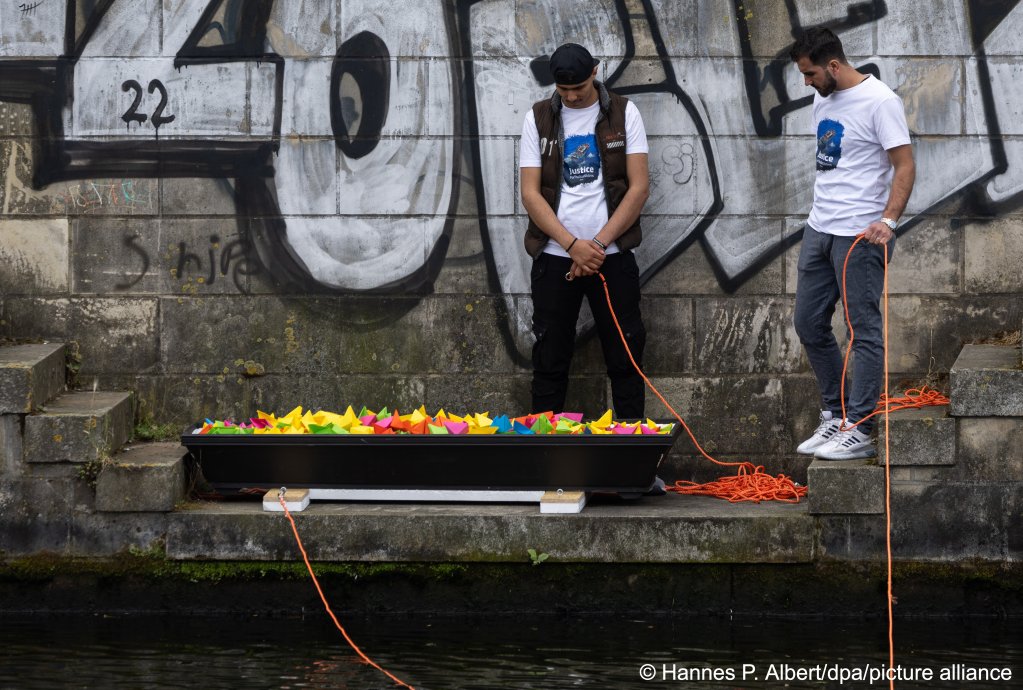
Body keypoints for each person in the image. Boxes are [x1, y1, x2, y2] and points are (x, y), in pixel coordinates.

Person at [789, 28, 915, 460]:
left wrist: (888, 221)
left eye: (809, 74)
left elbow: (904, 165)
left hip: (860, 237)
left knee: (864, 331)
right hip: (819, 228)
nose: (806, 82)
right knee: (808, 323)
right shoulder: (822, 97)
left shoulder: (881, 101)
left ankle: (859, 427)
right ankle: (836, 412)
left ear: (834, 66)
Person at [519, 42, 650, 420]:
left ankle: (628, 475)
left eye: (579, 88)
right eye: (565, 91)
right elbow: (530, 194)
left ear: (594, 72)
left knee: (626, 364)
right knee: (549, 365)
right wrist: (572, 246)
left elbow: (639, 187)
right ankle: (546, 468)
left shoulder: (624, 113)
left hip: (612, 260)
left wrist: (595, 246)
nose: (573, 97)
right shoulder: (539, 118)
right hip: (556, 259)